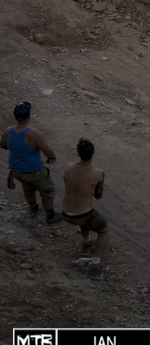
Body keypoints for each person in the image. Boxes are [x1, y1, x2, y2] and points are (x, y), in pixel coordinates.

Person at [61, 138, 109, 271]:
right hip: (83, 214)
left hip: (65, 212)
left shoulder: (68, 167)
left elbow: (67, 187)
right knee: (103, 230)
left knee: (84, 220)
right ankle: (95, 262)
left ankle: (86, 244)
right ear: (93, 153)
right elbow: (98, 196)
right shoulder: (98, 173)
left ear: (78, 153)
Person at [4, 102, 57, 220]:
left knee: (27, 188)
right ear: (29, 117)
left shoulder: (9, 131)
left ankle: (33, 208)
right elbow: (49, 153)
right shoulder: (33, 133)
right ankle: (50, 215)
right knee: (47, 191)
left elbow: (3, 144)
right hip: (34, 171)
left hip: (16, 170)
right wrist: (51, 157)